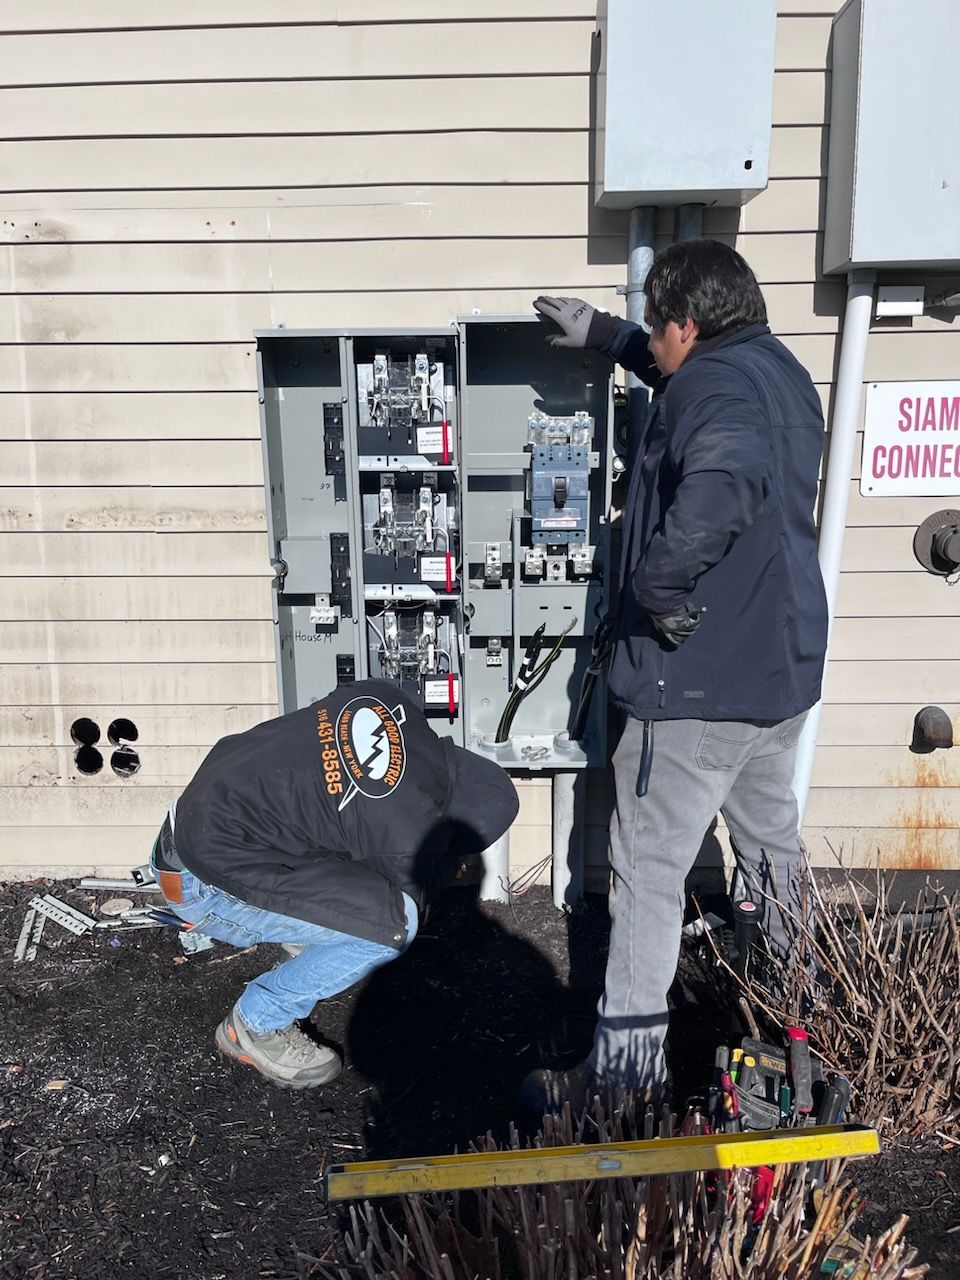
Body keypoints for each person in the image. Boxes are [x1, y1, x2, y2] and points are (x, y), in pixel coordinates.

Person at [528, 239, 828, 1106]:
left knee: (649, 876)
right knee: (773, 859)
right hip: (776, 681)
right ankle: (798, 1031)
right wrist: (611, 335)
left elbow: (722, 474)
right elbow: (692, 383)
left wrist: (656, 585)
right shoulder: (778, 374)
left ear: (689, 326)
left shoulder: (713, 388)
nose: (655, 347)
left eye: (658, 331)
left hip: (696, 690)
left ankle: (620, 1080)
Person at [151, 679, 519, 1090]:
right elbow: (399, 911)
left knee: (340, 843)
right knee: (390, 928)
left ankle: (313, 939)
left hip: (190, 820)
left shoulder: (387, 698)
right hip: (200, 884)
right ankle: (256, 1021)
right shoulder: (407, 832)